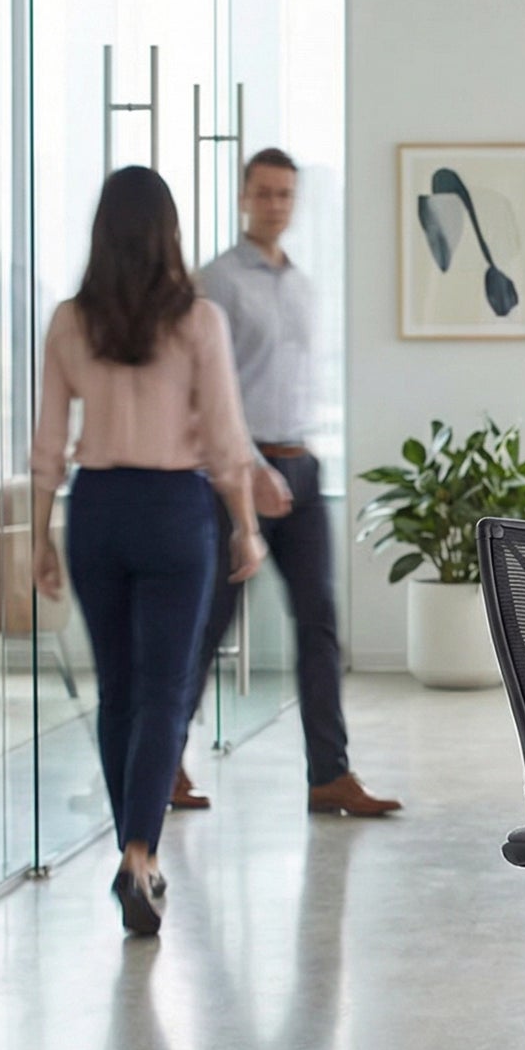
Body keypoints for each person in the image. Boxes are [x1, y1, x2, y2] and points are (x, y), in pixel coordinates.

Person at [31, 166, 267, 936]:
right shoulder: (197, 320)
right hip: (173, 509)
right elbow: (228, 441)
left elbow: (46, 449)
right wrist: (245, 524)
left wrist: (38, 534)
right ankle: (140, 853)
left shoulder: (69, 320)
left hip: (96, 509)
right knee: (165, 692)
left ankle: (131, 848)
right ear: (169, 231)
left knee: (118, 693)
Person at [176, 146, 401, 818]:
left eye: (286, 194)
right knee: (209, 623)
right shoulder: (213, 281)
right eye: (264, 192)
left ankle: (329, 774)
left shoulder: (303, 285)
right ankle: (164, 767)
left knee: (320, 622)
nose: (275, 204)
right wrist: (250, 466)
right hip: (234, 476)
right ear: (244, 197)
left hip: (301, 468)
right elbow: (206, 393)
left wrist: (295, 464)